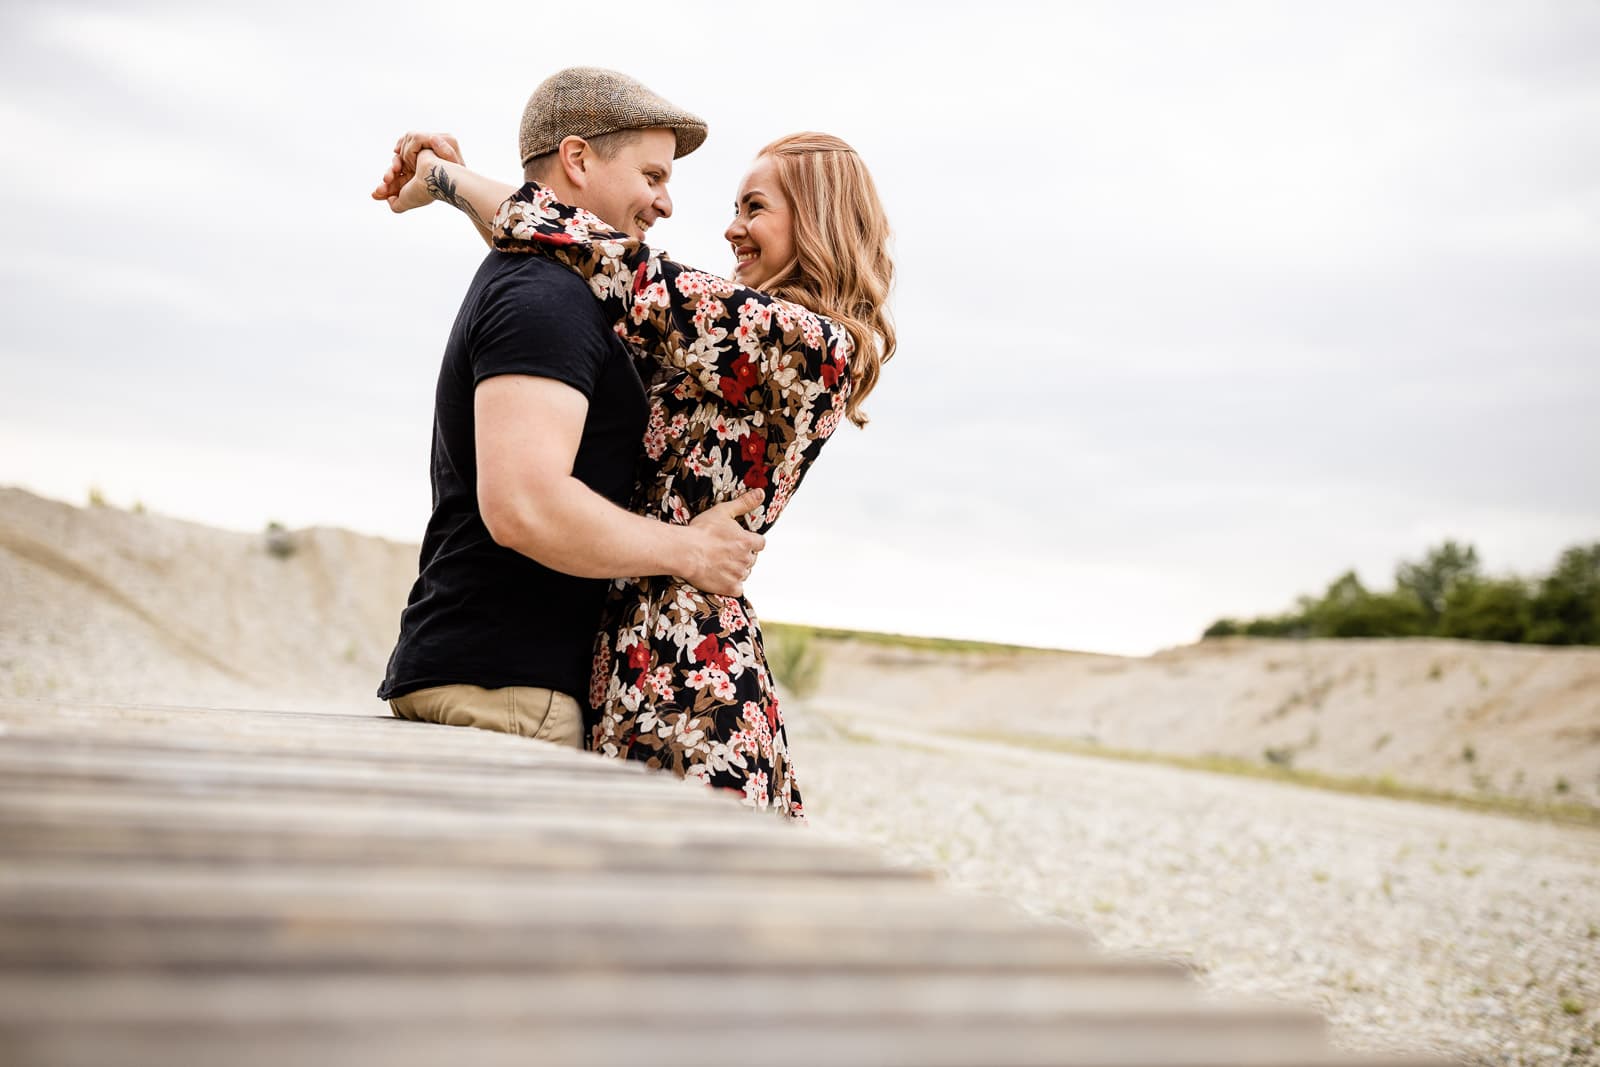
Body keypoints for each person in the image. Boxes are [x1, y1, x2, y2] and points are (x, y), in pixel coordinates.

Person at [378, 123, 895, 819]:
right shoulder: (723, 338)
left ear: (819, 219)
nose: (732, 229)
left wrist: (448, 181)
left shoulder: (808, 344)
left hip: (687, 676)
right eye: (736, 208)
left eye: (755, 208)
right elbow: (579, 284)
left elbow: (615, 268)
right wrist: (467, 200)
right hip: (629, 648)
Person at [375, 68, 768, 751]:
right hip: (507, 695)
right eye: (652, 175)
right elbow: (525, 505)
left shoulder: (550, 291)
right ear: (578, 160)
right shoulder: (545, 299)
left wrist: (450, 186)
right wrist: (693, 551)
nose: (665, 203)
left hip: (489, 681)